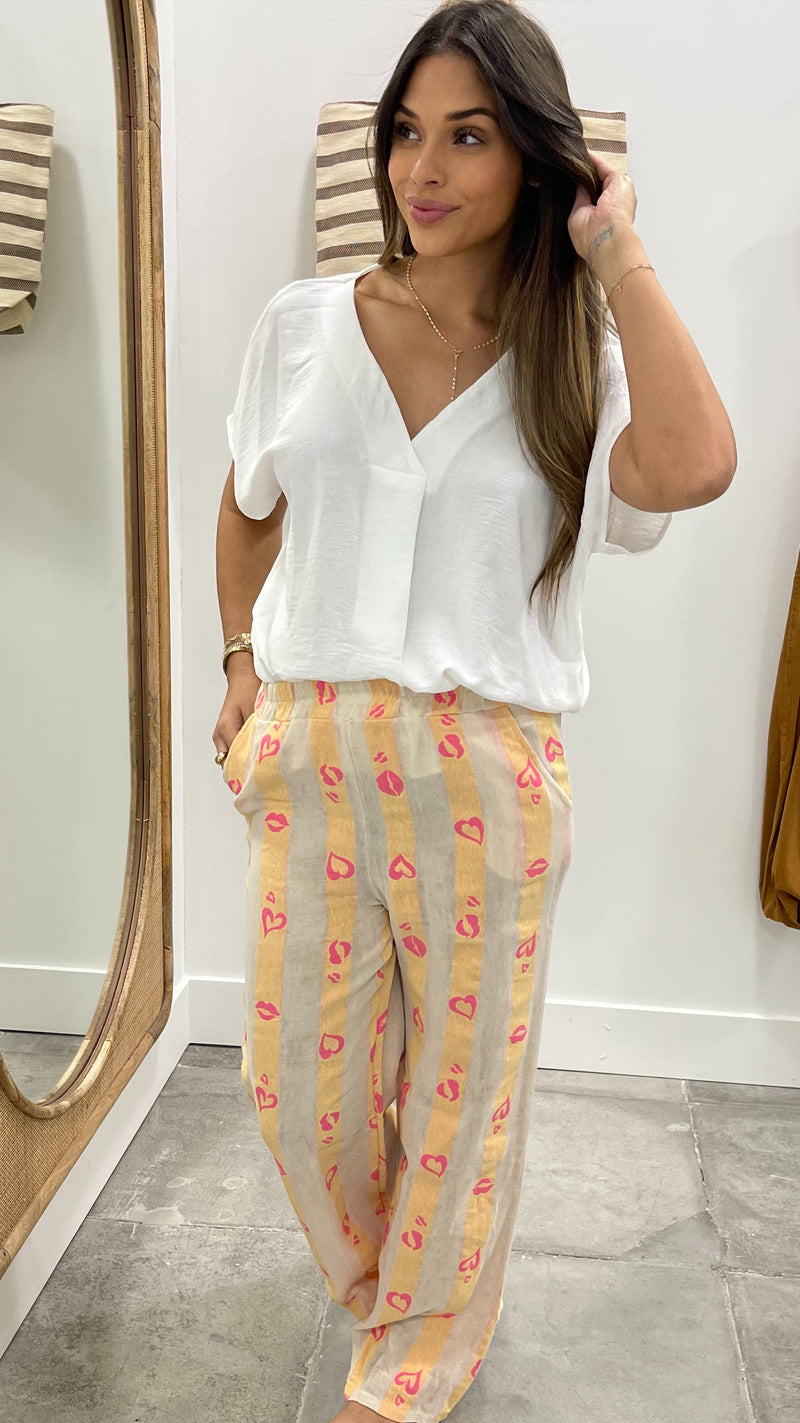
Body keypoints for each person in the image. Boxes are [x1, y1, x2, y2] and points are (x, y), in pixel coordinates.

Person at [213, 4, 736, 1420]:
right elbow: (245, 504)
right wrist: (238, 669)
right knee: (296, 1091)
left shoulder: (577, 356)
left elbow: (694, 468)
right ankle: (410, 1296)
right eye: (405, 131)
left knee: (464, 1099)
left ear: (539, 163)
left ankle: (411, 1368)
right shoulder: (306, 324)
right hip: (314, 753)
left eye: (470, 135)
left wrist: (615, 249)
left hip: (487, 766)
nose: (421, 170)